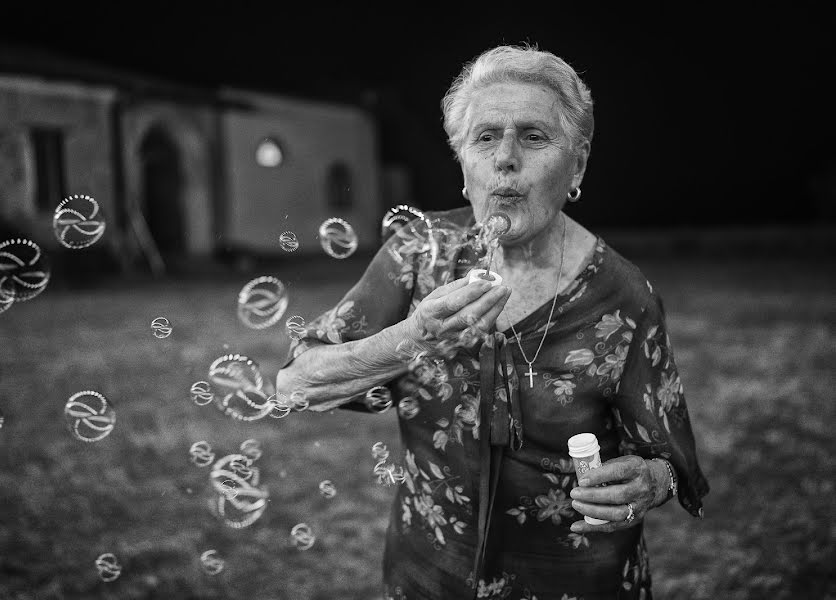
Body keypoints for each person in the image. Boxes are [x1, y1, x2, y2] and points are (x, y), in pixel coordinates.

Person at [277, 44, 709, 600]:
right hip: (429, 575)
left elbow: (668, 456)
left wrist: (653, 482)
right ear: (464, 165)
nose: (505, 158)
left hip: (576, 582)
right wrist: (413, 337)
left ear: (575, 165)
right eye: (485, 137)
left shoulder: (625, 297)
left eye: (533, 136)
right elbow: (295, 383)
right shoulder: (417, 254)